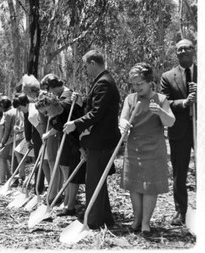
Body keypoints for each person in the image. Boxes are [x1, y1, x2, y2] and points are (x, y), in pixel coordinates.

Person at [64, 49, 121, 229]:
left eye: (86, 66)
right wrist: (82, 101)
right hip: (100, 140)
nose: (85, 70)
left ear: (93, 63)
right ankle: (105, 217)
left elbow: (97, 113)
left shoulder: (104, 83)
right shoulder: (102, 82)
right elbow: (94, 105)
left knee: (94, 181)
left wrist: (75, 123)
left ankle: (94, 221)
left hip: (101, 140)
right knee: (97, 181)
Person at [120, 62, 175, 234]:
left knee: (149, 186)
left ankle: (146, 223)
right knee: (134, 185)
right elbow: (122, 118)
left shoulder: (161, 99)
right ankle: (136, 219)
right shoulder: (130, 99)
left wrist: (160, 111)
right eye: (134, 84)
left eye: (140, 84)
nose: (136, 88)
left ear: (149, 81)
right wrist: (123, 124)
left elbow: (170, 122)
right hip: (134, 147)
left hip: (154, 149)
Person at [160, 39, 197, 226]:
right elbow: (164, 103)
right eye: (179, 49)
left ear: (194, 50)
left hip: (200, 131)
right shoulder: (168, 76)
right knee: (179, 173)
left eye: (187, 48)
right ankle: (180, 212)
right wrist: (185, 102)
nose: (183, 51)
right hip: (179, 131)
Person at [35, 91, 85, 216]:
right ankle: (66, 199)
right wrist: (48, 134)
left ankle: (70, 204)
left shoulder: (69, 104)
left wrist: (79, 100)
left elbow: (85, 110)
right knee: (64, 168)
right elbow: (58, 128)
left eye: (46, 111)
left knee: (73, 173)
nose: (47, 115)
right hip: (65, 142)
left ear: (52, 104)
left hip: (79, 141)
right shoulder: (54, 120)